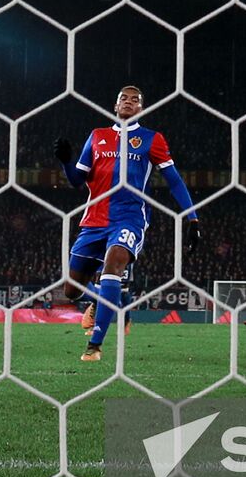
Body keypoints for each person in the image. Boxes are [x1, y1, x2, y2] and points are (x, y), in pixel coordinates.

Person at [54, 86, 200, 362]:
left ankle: (94, 346)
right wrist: (65, 161)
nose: (129, 102)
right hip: (94, 220)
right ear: (115, 104)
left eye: (136, 100)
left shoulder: (150, 139)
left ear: (141, 109)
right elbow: (76, 179)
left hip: (130, 217)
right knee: (72, 290)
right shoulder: (98, 136)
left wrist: (192, 217)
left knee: (113, 264)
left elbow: (175, 180)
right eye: (124, 98)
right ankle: (108, 301)